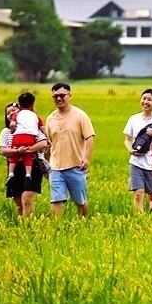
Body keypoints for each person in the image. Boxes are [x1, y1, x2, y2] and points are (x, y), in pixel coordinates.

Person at [46, 83, 95, 217]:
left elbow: (89, 137)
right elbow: (48, 144)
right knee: (56, 199)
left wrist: (86, 158)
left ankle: (83, 223)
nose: (59, 99)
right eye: (55, 96)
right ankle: (57, 228)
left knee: (80, 201)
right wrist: (46, 163)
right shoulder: (50, 119)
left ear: (70, 96)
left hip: (76, 165)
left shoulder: (80, 115)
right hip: (56, 167)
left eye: (62, 95)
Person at [0, 102, 48, 218]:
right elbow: (3, 150)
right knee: (18, 203)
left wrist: (28, 150)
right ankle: (22, 228)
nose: (11, 114)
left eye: (13, 111)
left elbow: (43, 143)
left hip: (32, 166)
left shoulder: (33, 129)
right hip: (14, 168)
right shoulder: (6, 132)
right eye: (8, 113)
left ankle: (30, 228)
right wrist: (18, 152)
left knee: (26, 200)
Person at [123, 89, 152, 212]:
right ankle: (139, 219)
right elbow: (127, 139)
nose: (145, 102)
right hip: (136, 161)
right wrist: (130, 149)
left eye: (149, 100)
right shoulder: (134, 119)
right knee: (138, 193)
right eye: (144, 98)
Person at [7, 92, 45, 190]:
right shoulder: (35, 116)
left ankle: (11, 174)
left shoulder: (18, 114)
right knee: (28, 155)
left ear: (19, 105)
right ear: (32, 104)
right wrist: (48, 138)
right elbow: (42, 127)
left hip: (18, 137)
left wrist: (12, 131)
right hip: (30, 138)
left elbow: (12, 125)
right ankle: (28, 175)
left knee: (14, 156)